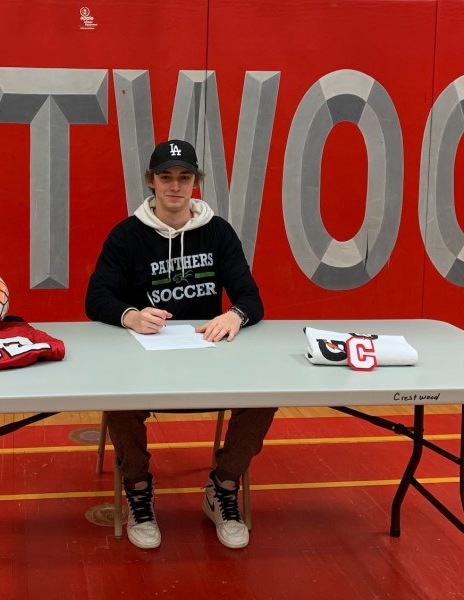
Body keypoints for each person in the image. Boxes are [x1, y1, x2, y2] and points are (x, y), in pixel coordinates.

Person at [85, 139, 276, 550]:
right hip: (145, 359)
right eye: (166, 177)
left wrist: (234, 315)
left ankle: (222, 487)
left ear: (195, 183)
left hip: (206, 357)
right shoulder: (127, 235)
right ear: (151, 182)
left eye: (184, 177)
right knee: (118, 398)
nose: (175, 186)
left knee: (266, 395)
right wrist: (131, 315)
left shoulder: (218, 232)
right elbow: (96, 297)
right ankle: (137, 489)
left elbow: (251, 298)